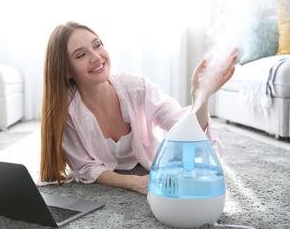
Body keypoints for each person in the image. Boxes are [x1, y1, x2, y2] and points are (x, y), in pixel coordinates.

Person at [40, 21, 237, 195]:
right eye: (81, 55)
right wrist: (134, 182)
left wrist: (200, 96)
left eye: (97, 45)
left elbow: (184, 128)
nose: (96, 57)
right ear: (66, 70)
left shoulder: (137, 88)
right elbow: (86, 167)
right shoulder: (66, 110)